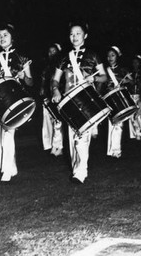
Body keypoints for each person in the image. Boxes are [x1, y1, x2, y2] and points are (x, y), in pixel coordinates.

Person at [51, 22, 107, 184]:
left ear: (85, 35)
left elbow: (104, 76)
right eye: (71, 34)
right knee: (72, 137)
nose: (74, 37)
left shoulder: (93, 55)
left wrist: (94, 78)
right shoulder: (63, 57)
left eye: (78, 33)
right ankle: (77, 169)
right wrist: (55, 90)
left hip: (86, 99)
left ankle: (81, 172)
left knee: (82, 136)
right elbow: (55, 79)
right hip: (69, 101)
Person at [0, 24, 33, 182]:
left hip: (15, 100)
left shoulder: (21, 57)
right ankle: (10, 167)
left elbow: (30, 82)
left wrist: (24, 78)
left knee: (8, 133)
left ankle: (7, 170)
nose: (2, 38)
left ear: (12, 37)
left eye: (5, 35)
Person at [103, 46, 129, 158]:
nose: (110, 58)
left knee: (119, 123)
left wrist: (121, 80)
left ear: (117, 56)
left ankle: (116, 150)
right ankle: (111, 150)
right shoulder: (104, 70)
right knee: (111, 123)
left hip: (119, 97)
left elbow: (130, 81)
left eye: (113, 55)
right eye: (108, 56)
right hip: (108, 98)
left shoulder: (122, 70)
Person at [40, 43, 64, 156]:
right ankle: (52, 145)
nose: (51, 54)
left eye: (54, 51)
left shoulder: (61, 66)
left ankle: (58, 146)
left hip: (59, 96)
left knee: (58, 122)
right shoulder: (47, 68)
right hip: (48, 97)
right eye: (50, 52)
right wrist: (43, 94)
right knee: (50, 122)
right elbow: (44, 82)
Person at [127, 55, 141, 140]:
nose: (135, 64)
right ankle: (133, 133)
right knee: (131, 114)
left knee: (138, 114)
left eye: (137, 62)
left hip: (139, 95)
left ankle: (139, 132)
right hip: (130, 95)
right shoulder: (129, 73)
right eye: (134, 62)